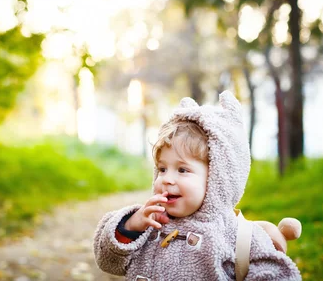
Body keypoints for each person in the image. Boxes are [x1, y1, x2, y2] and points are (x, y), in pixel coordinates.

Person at [93, 91, 301, 280]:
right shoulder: (149, 224)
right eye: (162, 169)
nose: (167, 179)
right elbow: (107, 262)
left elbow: (278, 274)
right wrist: (131, 226)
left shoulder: (237, 235)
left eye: (182, 170)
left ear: (218, 178)